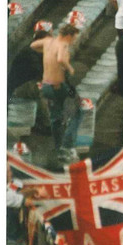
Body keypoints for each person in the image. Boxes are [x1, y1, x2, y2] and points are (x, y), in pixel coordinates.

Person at [32, 25, 83, 164]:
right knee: (78, 112)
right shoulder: (63, 44)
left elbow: (33, 45)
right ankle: (67, 146)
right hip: (59, 87)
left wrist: (46, 54)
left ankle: (59, 148)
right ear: (69, 36)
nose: (74, 41)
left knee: (56, 118)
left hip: (46, 86)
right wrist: (69, 68)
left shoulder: (48, 41)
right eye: (74, 38)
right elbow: (61, 58)